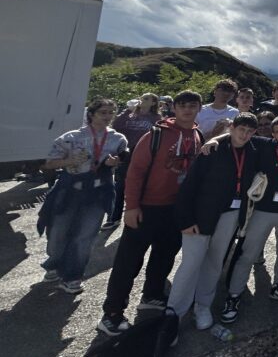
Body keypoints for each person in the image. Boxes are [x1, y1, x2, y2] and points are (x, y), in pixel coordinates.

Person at [99, 90, 203, 335]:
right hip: (147, 207)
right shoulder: (155, 135)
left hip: (175, 209)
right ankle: (112, 313)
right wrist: (131, 206)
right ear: (174, 108)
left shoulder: (197, 135)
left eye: (192, 105)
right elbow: (135, 172)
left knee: (164, 255)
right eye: (182, 105)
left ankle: (152, 295)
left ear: (199, 108)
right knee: (128, 261)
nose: (187, 110)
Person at [166, 113, 258, 330]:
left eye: (249, 131)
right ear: (232, 127)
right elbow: (190, 186)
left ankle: (202, 306)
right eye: (241, 129)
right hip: (200, 215)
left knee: (215, 263)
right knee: (190, 265)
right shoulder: (212, 151)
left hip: (230, 215)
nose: (244, 135)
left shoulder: (254, 151)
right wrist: (185, 220)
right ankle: (173, 314)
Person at [221, 116, 278, 322]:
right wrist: (212, 141)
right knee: (248, 253)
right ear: (272, 134)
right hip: (262, 210)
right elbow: (236, 137)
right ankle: (234, 295)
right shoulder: (264, 145)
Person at [41, 98, 128, 294]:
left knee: (85, 236)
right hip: (70, 191)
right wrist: (69, 160)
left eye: (110, 113)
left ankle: (73, 276)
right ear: (91, 114)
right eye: (103, 112)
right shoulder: (71, 137)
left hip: (98, 193)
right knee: (58, 233)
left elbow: (123, 157)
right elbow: (47, 163)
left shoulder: (118, 139)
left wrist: (115, 162)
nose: (107, 117)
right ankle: (54, 263)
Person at [105, 93, 162, 230]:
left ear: (154, 103)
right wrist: (127, 111)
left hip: (143, 156)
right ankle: (114, 217)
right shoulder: (129, 114)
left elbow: (158, 136)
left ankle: (136, 215)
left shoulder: (156, 118)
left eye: (147, 98)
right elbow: (116, 125)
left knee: (139, 186)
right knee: (119, 187)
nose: (143, 100)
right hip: (125, 154)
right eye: (142, 97)